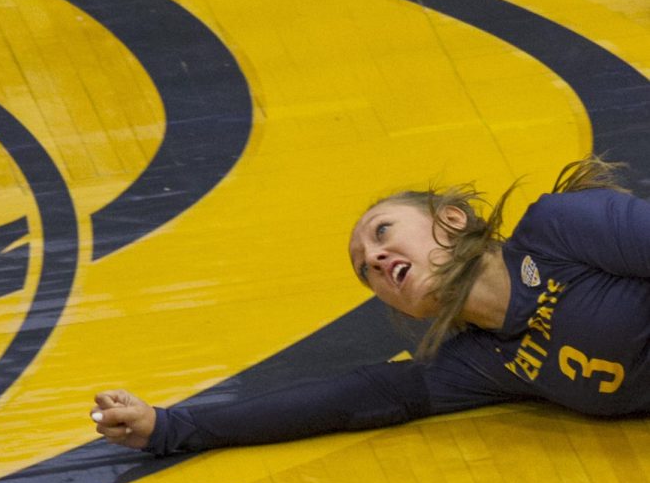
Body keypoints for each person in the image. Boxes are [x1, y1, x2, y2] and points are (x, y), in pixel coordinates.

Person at [90, 155, 650, 456]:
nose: (376, 259)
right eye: (366, 271)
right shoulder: (483, 362)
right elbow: (343, 401)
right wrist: (169, 426)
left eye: (383, 232)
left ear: (452, 218)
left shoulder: (558, 230)